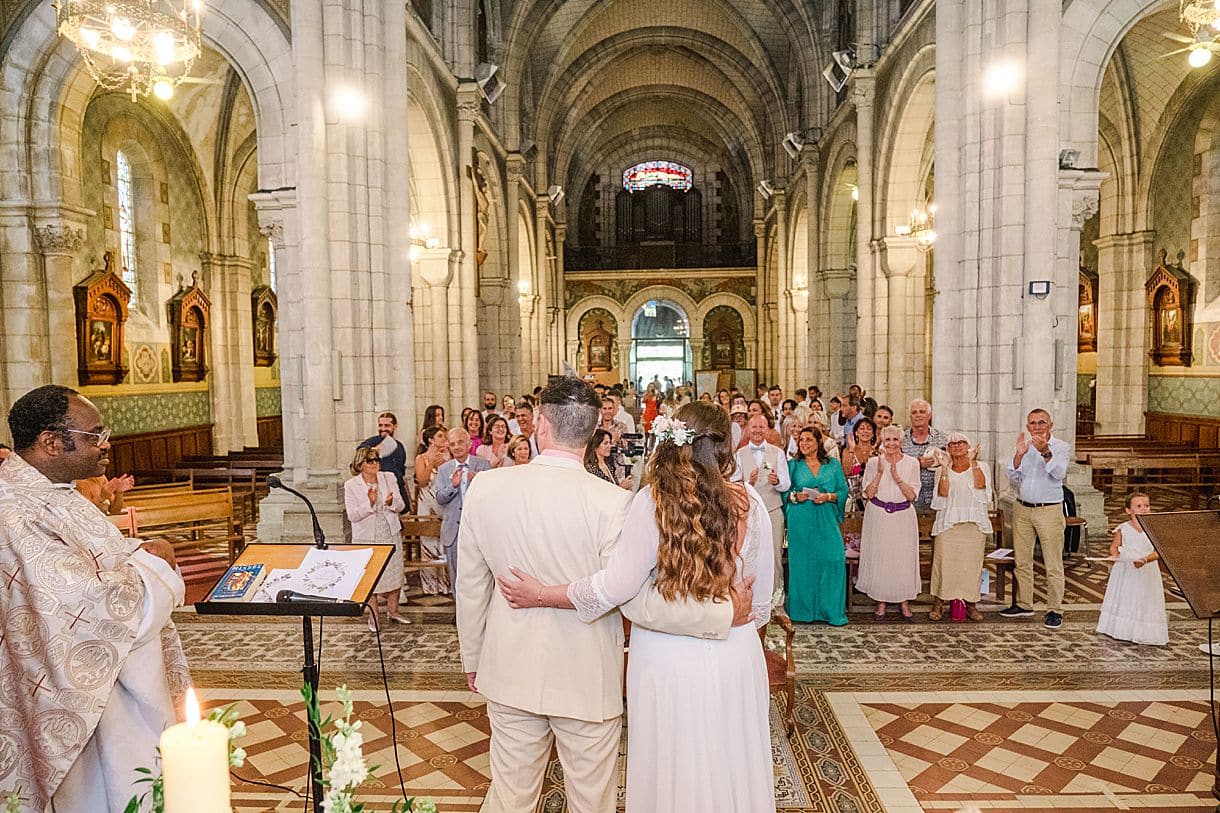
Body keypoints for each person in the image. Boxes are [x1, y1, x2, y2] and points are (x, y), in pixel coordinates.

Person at [457, 384, 752, 813]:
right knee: (590, 803)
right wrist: (718, 614)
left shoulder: (486, 488)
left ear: (539, 423)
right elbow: (634, 601)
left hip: (508, 667)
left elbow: (470, 586)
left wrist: (473, 659)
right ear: (597, 427)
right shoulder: (614, 503)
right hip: (588, 677)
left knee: (509, 799)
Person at [0, 385, 190, 811]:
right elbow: (88, 603)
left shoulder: (59, 491)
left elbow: (109, 559)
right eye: (94, 435)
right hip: (75, 690)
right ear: (51, 442)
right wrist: (156, 565)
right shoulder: (14, 510)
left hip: (112, 684)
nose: (106, 444)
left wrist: (140, 556)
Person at [1003, 408, 1070, 628]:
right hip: (1023, 507)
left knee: (1052, 563)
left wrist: (1045, 452)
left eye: (1042, 422)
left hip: (1049, 510)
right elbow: (1012, 475)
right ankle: (1024, 604)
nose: (1037, 426)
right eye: (1033, 423)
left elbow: (1058, 473)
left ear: (1051, 425)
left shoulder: (1061, 447)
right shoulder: (1025, 445)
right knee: (1022, 560)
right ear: (1027, 426)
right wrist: (1020, 454)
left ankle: (1054, 609)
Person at [856, 425, 921, 622]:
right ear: (882, 442)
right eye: (888, 440)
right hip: (878, 515)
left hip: (903, 515)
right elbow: (868, 494)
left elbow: (912, 495)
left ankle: (904, 602)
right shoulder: (874, 462)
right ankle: (881, 601)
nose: (891, 443)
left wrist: (896, 476)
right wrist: (879, 472)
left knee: (903, 558)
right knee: (881, 557)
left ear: (902, 442)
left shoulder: (912, 463)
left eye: (895, 440)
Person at [785, 427, 849, 625]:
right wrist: (796, 496)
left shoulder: (833, 465)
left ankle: (830, 611)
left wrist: (828, 497)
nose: (804, 443)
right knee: (802, 564)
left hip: (826, 518)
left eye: (809, 440)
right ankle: (802, 611)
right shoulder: (792, 465)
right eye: (801, 440)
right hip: (801, 520)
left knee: (833, 559)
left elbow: (843, 491)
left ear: (818, 442)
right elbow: (782, 494)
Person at [928, 432, 991, 622]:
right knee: (944, 564)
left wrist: (973, 463)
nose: (956, 446)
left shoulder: (982, 466)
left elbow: (981, 487)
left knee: (971, 566)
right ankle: (939, 603)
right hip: (949, 524)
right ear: (948, 449)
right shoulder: (941, 470)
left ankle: (971, 604)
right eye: (952, 444)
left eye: (961, 442)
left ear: (968, 446)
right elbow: (943, 493)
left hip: (973, 524)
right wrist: (945, 469)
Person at [344, 446, 408, 630]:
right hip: (367, 537)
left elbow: (401, 505)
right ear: (360, 464)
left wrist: (391, 503)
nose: (375, 464)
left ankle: (393, 611)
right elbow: (353, 516)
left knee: (394, 572)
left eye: (377, 460)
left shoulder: (388, 477)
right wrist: (369, 503)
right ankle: (374, 617)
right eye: (370, 461)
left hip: (389, 531)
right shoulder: (351, 485)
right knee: (371, 577)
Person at [1096, 492, 1168, 645]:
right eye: (1139, 506)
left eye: (1147, 506)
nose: (1144, 509)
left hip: (1147, 569)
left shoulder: (1155, 528)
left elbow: (1159, 552)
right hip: (1127, 570)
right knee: (1127, 596)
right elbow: (1114, 547)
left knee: (1145, 597)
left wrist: (1145, 559)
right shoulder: (1124, 528)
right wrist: (1115, 556)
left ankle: (1144, 631)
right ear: (1128, 510)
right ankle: (1122, 629)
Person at [736, 414, 789, 591]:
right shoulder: (739, 454)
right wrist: (748, 483)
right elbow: (734, 485)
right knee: (748, 554)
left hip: (773, 510)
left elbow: (786, 484)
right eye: (754, 427)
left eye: (761, 427)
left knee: (774, 554)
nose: (758, 430)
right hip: (749, 512)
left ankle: (775, 598)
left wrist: (777, 481)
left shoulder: (777, 452)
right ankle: (749, 596)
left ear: (767, 429)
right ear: (748, 430)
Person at [435, 428, 491, 590]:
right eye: (452, 444)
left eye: (460, 442)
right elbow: (439, 499)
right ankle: (459, 612)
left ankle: (479, 612)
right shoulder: (444, 469)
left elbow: (492, 496)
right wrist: (453, 485)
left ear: (469, 444)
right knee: (456, 574)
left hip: (478, 527)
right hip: (453, 530)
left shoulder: (483, 464)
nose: (457, 447)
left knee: (479, 573)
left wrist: (478, 482)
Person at [414, 425, 452, 595]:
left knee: (443, 542)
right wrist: (431, 465)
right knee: (428, 542)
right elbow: (421, 481)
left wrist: (443, 463)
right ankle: (430, 585)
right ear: (430, 440)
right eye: (440, 436)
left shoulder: (448, 457)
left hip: (442, 503)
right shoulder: (421, 458)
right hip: (426, 501)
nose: (443, 440)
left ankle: (445, 584)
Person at [901, 399, 947, 511]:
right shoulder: (901, 440)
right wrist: (916, 463)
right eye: (914, 412)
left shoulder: (943, 438)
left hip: (937, 496)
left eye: (922, 412)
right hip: (909, 497)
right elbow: (895, 465)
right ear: (910, 417)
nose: (918, 415)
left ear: (929, 415)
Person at [358, 412, 410, 509]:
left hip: (398, 491)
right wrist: (373, 450)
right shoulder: (372, 442)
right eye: (380, 425)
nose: (383, 428)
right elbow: (360, 453)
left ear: (395, 426)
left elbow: (401, 471)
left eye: (387, 425)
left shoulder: (399, 446)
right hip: (380, 492)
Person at [843, 417, 878, 512]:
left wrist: (873, 454)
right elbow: (847, 471)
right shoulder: (848, 451)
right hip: (853, 500)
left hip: (874, 497)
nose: (865, 431)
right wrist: (851, 449)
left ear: (874, 434)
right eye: (862, 428)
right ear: (856, 432)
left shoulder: (879, 452)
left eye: (869, 429)